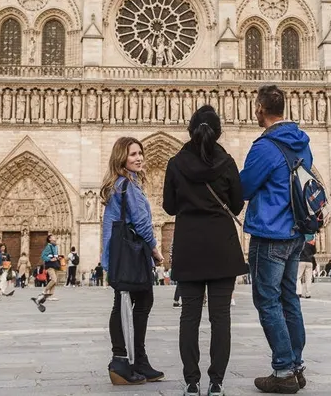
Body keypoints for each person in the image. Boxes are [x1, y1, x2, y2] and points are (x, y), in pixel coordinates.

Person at [162, 105, 248, 396]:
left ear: (190, 130)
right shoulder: (227, 163)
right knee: (220, 317)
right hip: (222, 247)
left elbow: (169, 207)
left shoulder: (175, 163)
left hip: (189, 247)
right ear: (218, 132)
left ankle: (191, 381)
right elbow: (236, 204)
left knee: (189, 316)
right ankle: (216, 382)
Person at [239, 85, 311, 393]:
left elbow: (245, 187)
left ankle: (283, 371)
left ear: (259, 108)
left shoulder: (265, 146)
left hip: (270, 233)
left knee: (267, 301)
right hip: (296, 233)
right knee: (289, 298)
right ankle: (295, 364)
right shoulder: (301, 142)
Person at [99, 136, 165, 386]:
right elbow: (142, 224)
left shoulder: (118, 185)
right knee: (138, 301)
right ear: (121, 158)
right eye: (132, 154)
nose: (138, 158)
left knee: (127, 302)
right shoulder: (127, 186)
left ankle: (135, 360)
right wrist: (155, 250)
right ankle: (123, 361)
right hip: (131, 255)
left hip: (119, 254)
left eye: (140, 153)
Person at [33, 235, 61, 304]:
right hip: (50, 265)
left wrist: (58, 258)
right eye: (53, 236)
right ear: (50, 239)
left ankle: (50, 295)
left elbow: (54, 256)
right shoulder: (49, 246)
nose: (55, 237)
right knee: (54, 279)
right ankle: (45, 291)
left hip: (55, 265)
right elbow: (43, 256)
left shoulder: (56, 246)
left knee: (55, 281)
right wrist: (50, 259)